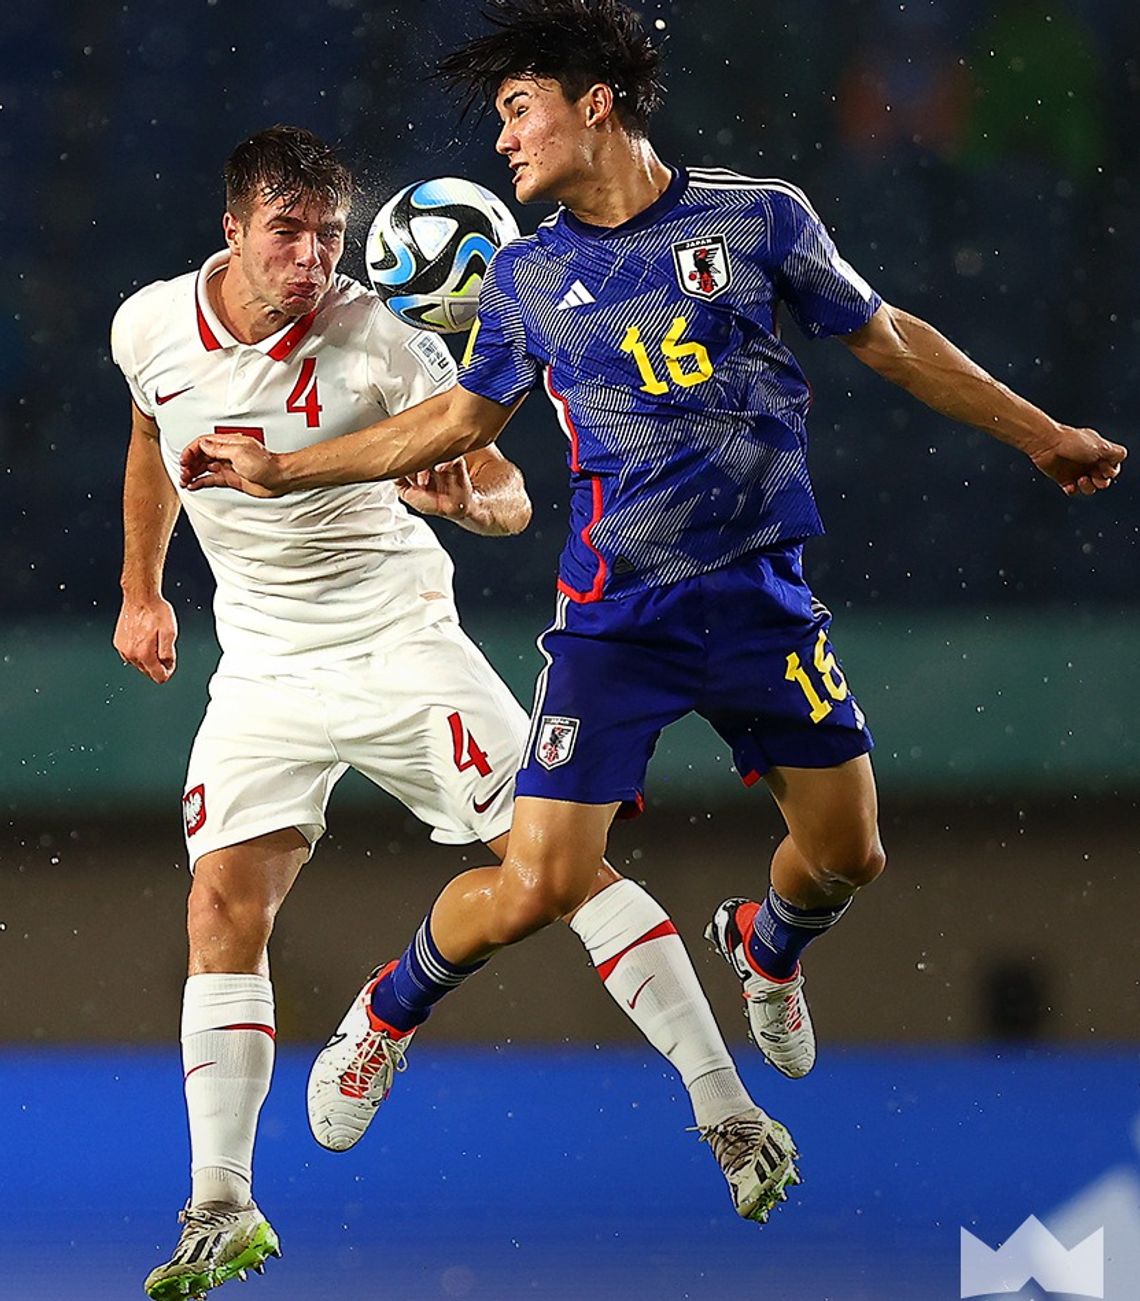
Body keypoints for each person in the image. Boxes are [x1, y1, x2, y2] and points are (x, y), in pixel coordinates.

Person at [182, 0, 1125, 1227]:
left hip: (759, 601)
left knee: (850, 856)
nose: (506, 142)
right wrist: (285, 468)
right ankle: (385, 1014)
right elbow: (459, 426)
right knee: (534, 888)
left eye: (521, 110)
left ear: (597, 103)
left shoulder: (759, 217)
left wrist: (1041, 433)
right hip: (614, 620)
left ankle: (767, 943)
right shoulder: (523, 276)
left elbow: (888, 339)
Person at [115, 125, 791, 1301]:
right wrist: (140, 589)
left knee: (562, 868)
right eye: (288, 232)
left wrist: (464, 501)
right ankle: (220, 1200)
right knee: (221, 902)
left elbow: (509, 495)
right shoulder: (149, 327)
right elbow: (146, 434)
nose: (313, 257)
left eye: (329, 233)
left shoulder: (383, 340)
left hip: (400, 646)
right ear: (232, 230)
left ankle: (726, 1109)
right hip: (263, 667)